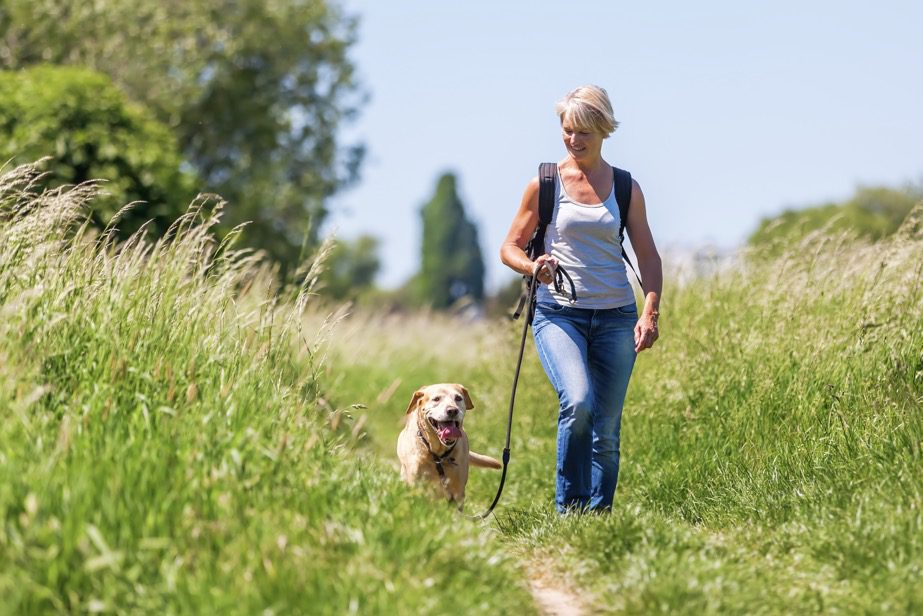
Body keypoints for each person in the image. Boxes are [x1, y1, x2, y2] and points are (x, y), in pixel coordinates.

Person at [500, 85, 662, 513]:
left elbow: (647, 254)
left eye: (584, 131)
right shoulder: (545, 183)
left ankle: (599, 516)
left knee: (606, 428)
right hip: (559, 315)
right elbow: (509, 247)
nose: (575, 139)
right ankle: (569, 510)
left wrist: (650, 312)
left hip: (615, 317)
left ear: (604, 129)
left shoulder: (626, 187)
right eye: (568, 130)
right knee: (578, 401)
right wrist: (533, 267)